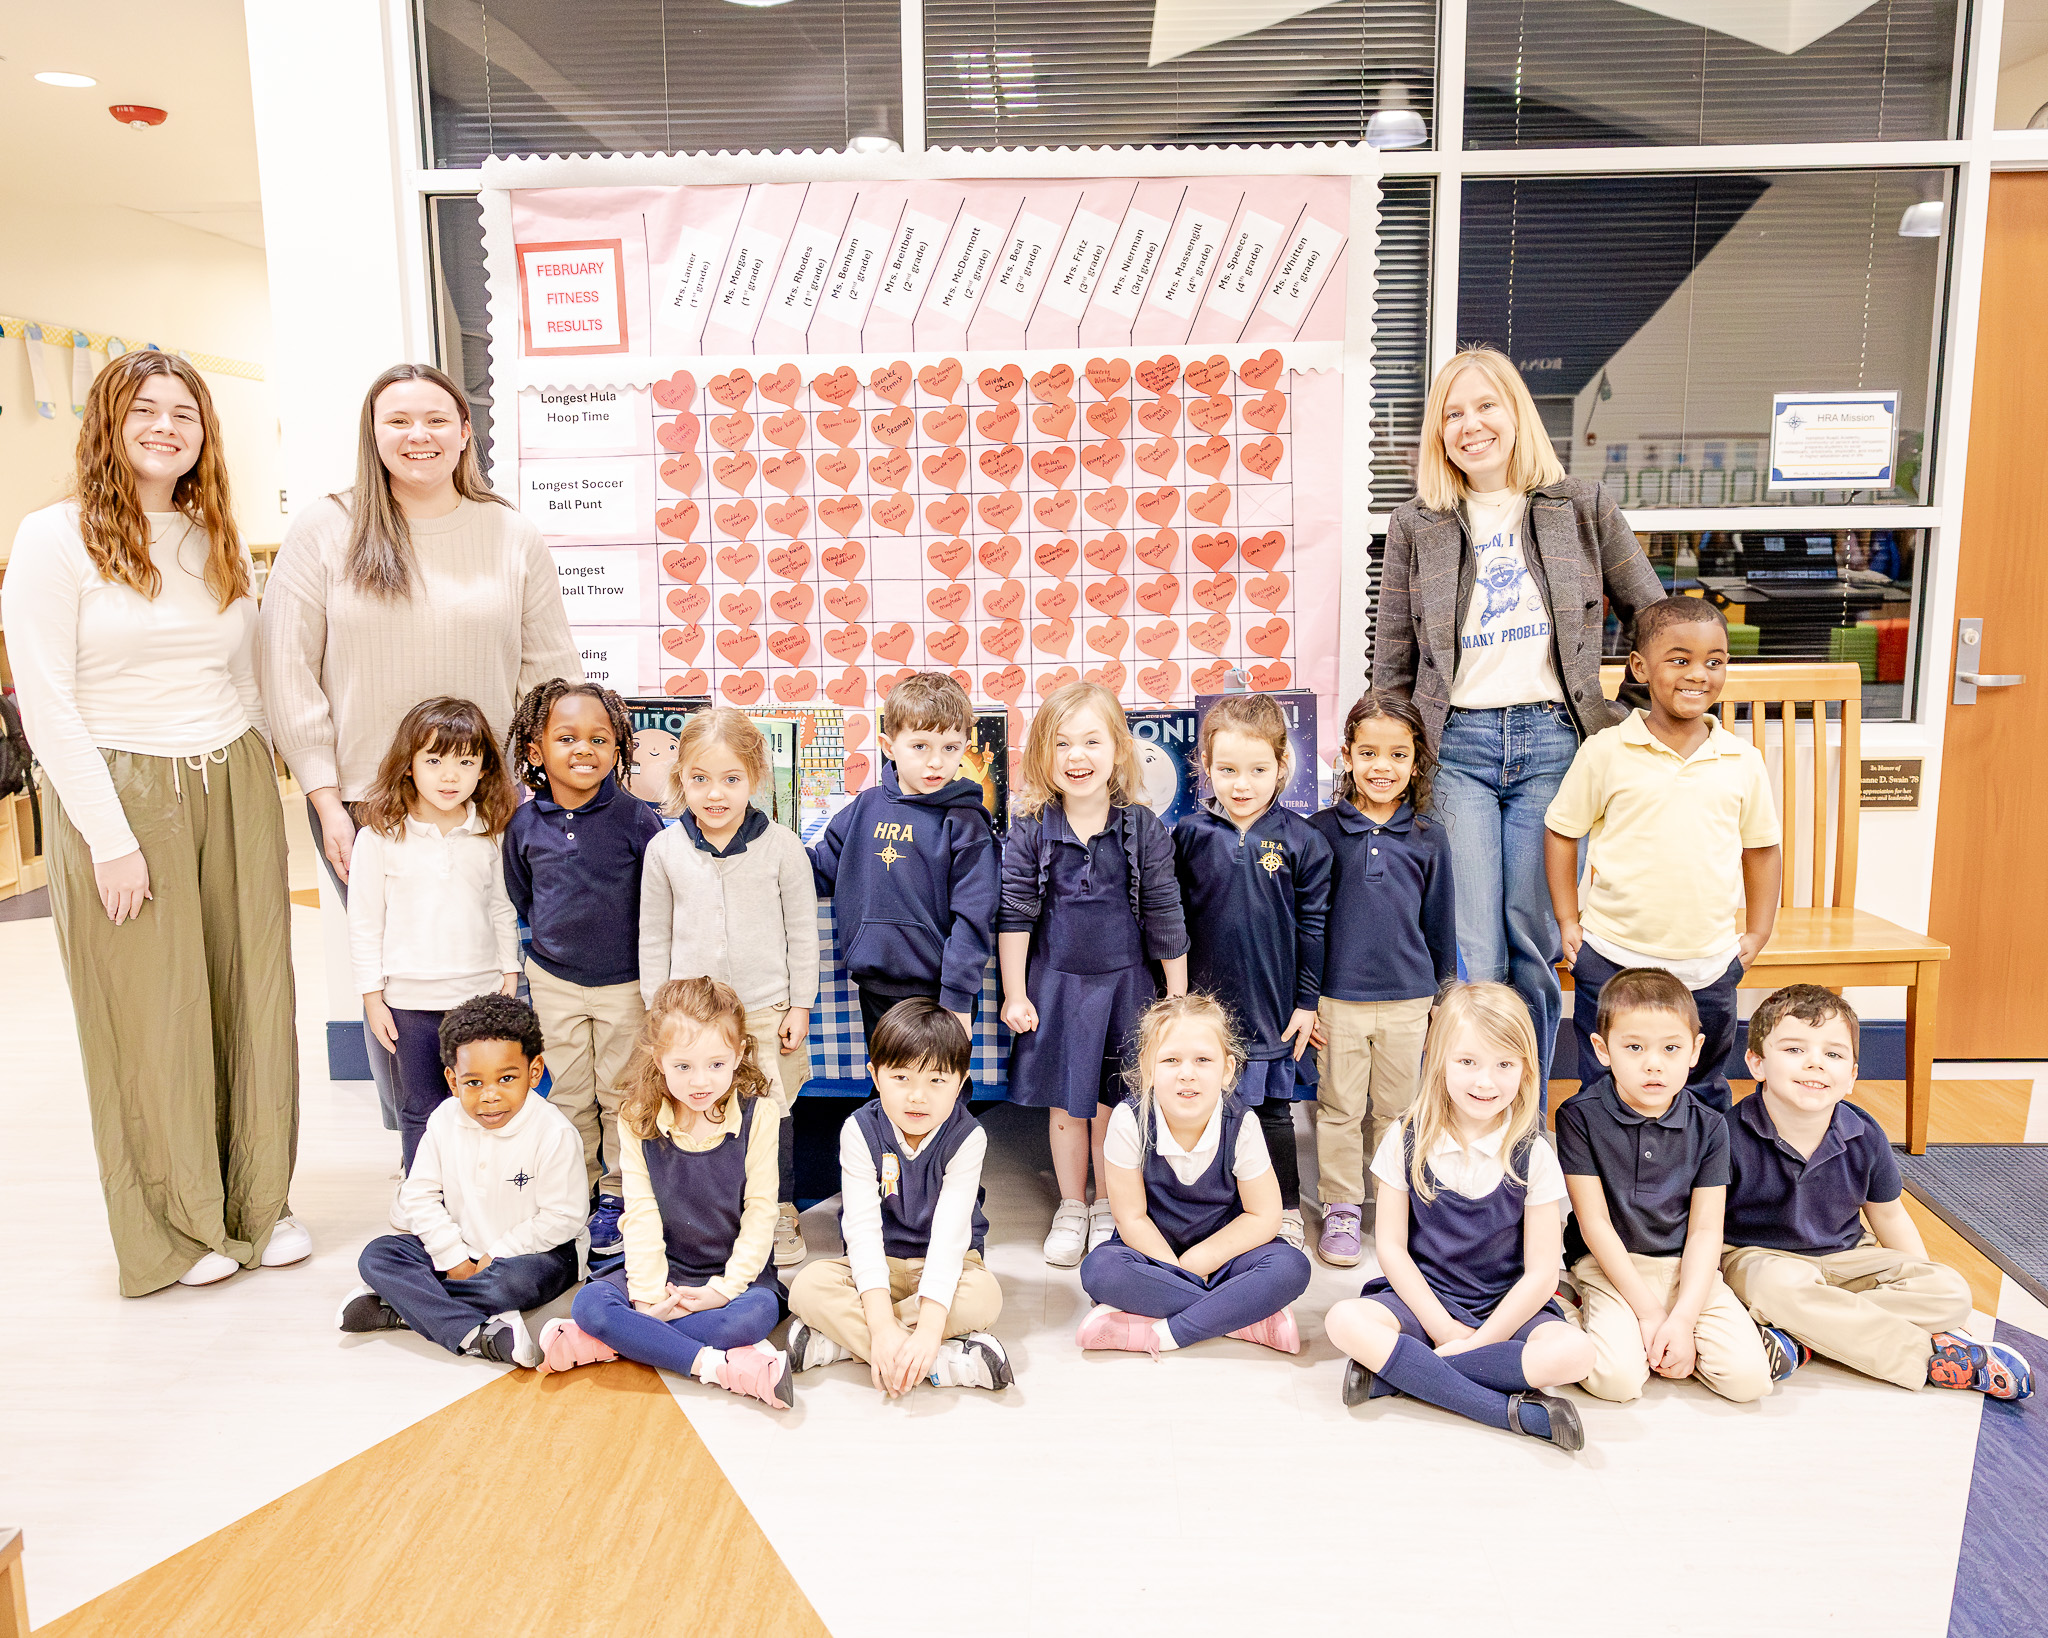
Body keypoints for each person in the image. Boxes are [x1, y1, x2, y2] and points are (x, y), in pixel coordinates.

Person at [3, 350, 304, 1295]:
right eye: (146, 409)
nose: (167, 426)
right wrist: (110, 838)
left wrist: (274, 781)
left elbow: (246, 677)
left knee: (252, 1001)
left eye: (186, 412)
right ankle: (174, 1230)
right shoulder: (56, 537)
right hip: (122, 791)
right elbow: (48, 706)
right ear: (108, 420)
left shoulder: (211, 533)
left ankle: (259, 1205)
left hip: (232, 785)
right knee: (151, 1016)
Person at [261, 362, 579, 1133]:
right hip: (370, 807)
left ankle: (496, 1152)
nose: (418, 435)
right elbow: (286, 668)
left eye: (436, 419)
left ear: (465, 432)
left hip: (493, 803)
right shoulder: (326, 527)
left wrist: (540, 785)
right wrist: (325, 801)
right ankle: (417, 1156)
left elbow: (550, 669)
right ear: (373, 434)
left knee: (487, 971)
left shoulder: (509, 531)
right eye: (398, 420)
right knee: (399, 982)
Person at [1372, 346, 1663, 1090]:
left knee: (1533, 940)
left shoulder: (1583, 507)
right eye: (1453, 413)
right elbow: (1393, 661)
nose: (1471, 424)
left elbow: (1658, 625)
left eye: (1485, 406)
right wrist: (1395, 760)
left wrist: (1621, 722)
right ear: (1439, 433)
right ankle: (1476, 1103)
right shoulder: (1417, 525)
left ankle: (1524, 1107)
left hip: (1554, 747)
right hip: (1458, 748)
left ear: (1517, 414)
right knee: (1475, 946)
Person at [1721, 986, 2033, 1400]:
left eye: (1833, 1054)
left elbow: (1889, 1216)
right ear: (1756, 1063)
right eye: (1795, 1049)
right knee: (1775, 1287)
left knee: (1951, 1291)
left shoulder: (1864, 1134)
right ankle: (1929, 1359)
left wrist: (1924, 1281)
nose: (1815, 1062)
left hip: (1849, 1258)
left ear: (1851, 1076)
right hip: (1761, 1258)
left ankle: (1802, 1337)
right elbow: (1705, 1224)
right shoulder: (1726, 1134)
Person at [1325, 982, 1595, 1450]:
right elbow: (1390, 1248)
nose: (1484, 1082)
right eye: (1467, 1062)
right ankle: (1507, 1412)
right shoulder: (1406, 1138)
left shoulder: (1535, 1154)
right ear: (1438, 1060)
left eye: (1504, 1065)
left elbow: (1539, 1275)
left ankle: (1399, 1376)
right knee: (1343, 1321)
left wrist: (1481, 1340)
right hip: (1423, 1298)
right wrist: (1444, 1329)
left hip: (1506, 1306)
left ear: (1526, 1070)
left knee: (1577, 1354)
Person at [1545, 597, 1781, 1114]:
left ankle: (1700, 1189)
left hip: (1708, 964)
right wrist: (1567, 918)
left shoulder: (1742, 762)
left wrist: (1759, 932)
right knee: (1605, 1089)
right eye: (1680, 659)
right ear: (1639, 667)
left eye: (1714, 661)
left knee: (1702, 1089)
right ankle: (1601, 1188)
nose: (1699, 674)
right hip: (1612, 957)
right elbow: (1562, 832)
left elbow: (1761, 850)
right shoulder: (1605, 752)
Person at [534, 978, 795, 1409]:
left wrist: (723, 1290)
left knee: (751, 1319)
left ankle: (608, 1344)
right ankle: (718, 1367)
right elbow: (641, 1213)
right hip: (665, 1268)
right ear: (659, 1059)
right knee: (591, 1305)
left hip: (736, 1278)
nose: (701, 1081)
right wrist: (650, 1297)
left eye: (716, 1064)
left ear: (739, 1055)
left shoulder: (760, 1114)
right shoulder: (638, 1116)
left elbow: (761, 1212)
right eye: (683, 1066)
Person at [998, 680, 1188, 1267]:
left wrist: (1176, 1002)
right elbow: (1014, 913)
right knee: (1066, 1106)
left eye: (1090, 741)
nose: (1076, 756)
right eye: (1061, 744)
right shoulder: (1030, 828)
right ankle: (1070, 1205)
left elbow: (1164, 913)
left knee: (1113, 1106)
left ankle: (1109, 1202)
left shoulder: (1143, 827)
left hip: (1127, 986)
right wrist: (1014, 993)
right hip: (1056, 987)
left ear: (1117, 750)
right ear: (1042, 757)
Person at [639, 708, 818, 1266]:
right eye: (699, 779)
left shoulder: (783, 847)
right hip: (691, 1018)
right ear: (680, 780)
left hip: (766, 1009)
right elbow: (654, 934)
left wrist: (801, 1004)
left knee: (772, 1111)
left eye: (731, 779)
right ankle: (709, 1213)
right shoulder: (664, 851)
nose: (714, 794)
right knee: (698, 1108)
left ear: (755, 777)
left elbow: (802, 931)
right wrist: (656, 1008)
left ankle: (781, 1209)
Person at [1557, 967, 1780, 1403]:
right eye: (1634, 1047)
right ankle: (1564, 1308)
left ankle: (1702, 1336)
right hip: (1609, 1266)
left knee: (1749, 1382)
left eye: (1671, 1048)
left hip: (1687, 1268)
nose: (1653, 1063)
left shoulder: (1712, 1126)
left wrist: (1680, 1319)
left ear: (1695, 1051)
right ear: (1603, 1050)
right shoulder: (1579, 1117)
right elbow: (1595, 1224)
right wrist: (1647, 1313)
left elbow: (1704, 1231)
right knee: (1616, 1382)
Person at [503, 678, 664, 1260]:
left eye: (599, 738)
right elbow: (522, 896)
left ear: (618, 748)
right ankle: (578, 1192)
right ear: (535, 750)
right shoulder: (524, 825)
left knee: (621, 1091)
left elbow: (656, 895)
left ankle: (621, 1196)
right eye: (566, 737)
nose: (583, 750)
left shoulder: (636, 819)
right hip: (554, 980)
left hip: (625, 982)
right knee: (568, 1093)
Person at [338, 995, 586, 1367]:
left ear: (534, 1072)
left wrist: (494, 1254)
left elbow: (563, 1218)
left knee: (513, 1284)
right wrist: (453, 1257)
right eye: (473, 1082)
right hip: (460, 1250)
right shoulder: (443, 1119)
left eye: (506, 1078)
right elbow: (418, 1195)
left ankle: (404, 1309)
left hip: (528, 1256)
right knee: (379, 1255)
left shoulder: (554, 1133)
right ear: (452, 1080)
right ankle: (476, 1335)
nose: (490, 1096)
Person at [1171, 692, 1331, 1252]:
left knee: (1273, 1112)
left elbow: (1314, 929)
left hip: (1273, 1002)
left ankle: (1284, 1207)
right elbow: (1176, 922)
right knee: (1209, 1111)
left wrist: (1306, 1002)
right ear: (1206, 768)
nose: (1242, 784)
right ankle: (1224, 1208)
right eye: (1227, 770)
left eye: (1258, 770)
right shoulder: (1189, 835)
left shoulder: (1303, 840)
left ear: (1282, 767)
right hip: (1208, 1005)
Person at [785, 999, 1012, 1393]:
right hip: (878, 1267)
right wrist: (881, 1323)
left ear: (961, 1082)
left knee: (985, 1297)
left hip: (948, 1263)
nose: (917, 1097)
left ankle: (841, 1345)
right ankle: (939, 1362)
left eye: (936, 1081)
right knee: (807, 1285)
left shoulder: (967, 1137)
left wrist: (927, 1329)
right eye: (901, 1078)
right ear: (875, 1075)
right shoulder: (859, 1130)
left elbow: (949, 1236)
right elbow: (862, 1230)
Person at [1074, 995, 1313, 1358]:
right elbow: (1131, 1218)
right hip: (1152, 1257)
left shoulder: (1241, 1123)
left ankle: (1160, 1329)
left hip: (1225, 1260)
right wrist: (1174, 1268)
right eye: (1171, 1060)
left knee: (1291, 1267)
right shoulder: (1130, 1121)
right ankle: (1243, 1318)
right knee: (1100, 1270)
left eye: (1203, 1060)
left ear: (1228, 1069)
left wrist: (1193, 1266)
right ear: (1148, 1068)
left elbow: (1264, 1217)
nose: (1188, 1072)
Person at [1307, 690, 1455, 1268]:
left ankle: (1393, 1205)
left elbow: (1439, 924)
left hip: (1409, 1000)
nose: (1381, 767)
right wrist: (1308, 998)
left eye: (1397, 755)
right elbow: (1307, 923)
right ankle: (1342, 1206)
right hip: (1337, 1000)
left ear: (1415, 762)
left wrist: (1441, 996)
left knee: (1397, 1110)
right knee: (1339, 1106)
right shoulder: (1320, 832)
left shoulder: (1429, 839)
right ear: (1346, 756)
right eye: (1368, 752)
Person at [348, 696, 522, 1170]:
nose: (450, 776)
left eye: (466, 762)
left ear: (485, 768)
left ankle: (479, 1189)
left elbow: (502, 905)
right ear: (408, 766)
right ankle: (419, 1188)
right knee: (420, 1106)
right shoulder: (378, 837)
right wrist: (372, 996)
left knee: (483, 1103)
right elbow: (364, 921)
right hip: (409, 1001)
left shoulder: (492, 832)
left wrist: (509, 973)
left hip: (478, 993)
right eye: (434, 761)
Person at [810, 670, 998, 1045]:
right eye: (920, 746)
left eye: (950, 748)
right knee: (889, 1083)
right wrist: (770, 855)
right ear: (888, 744)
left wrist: (958, 998)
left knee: (941, 1088)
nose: (936, 762)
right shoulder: (864, 807)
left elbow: (974, 916)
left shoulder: (965, 823)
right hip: (875, 984)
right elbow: (819, 870)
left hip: (941, 994)